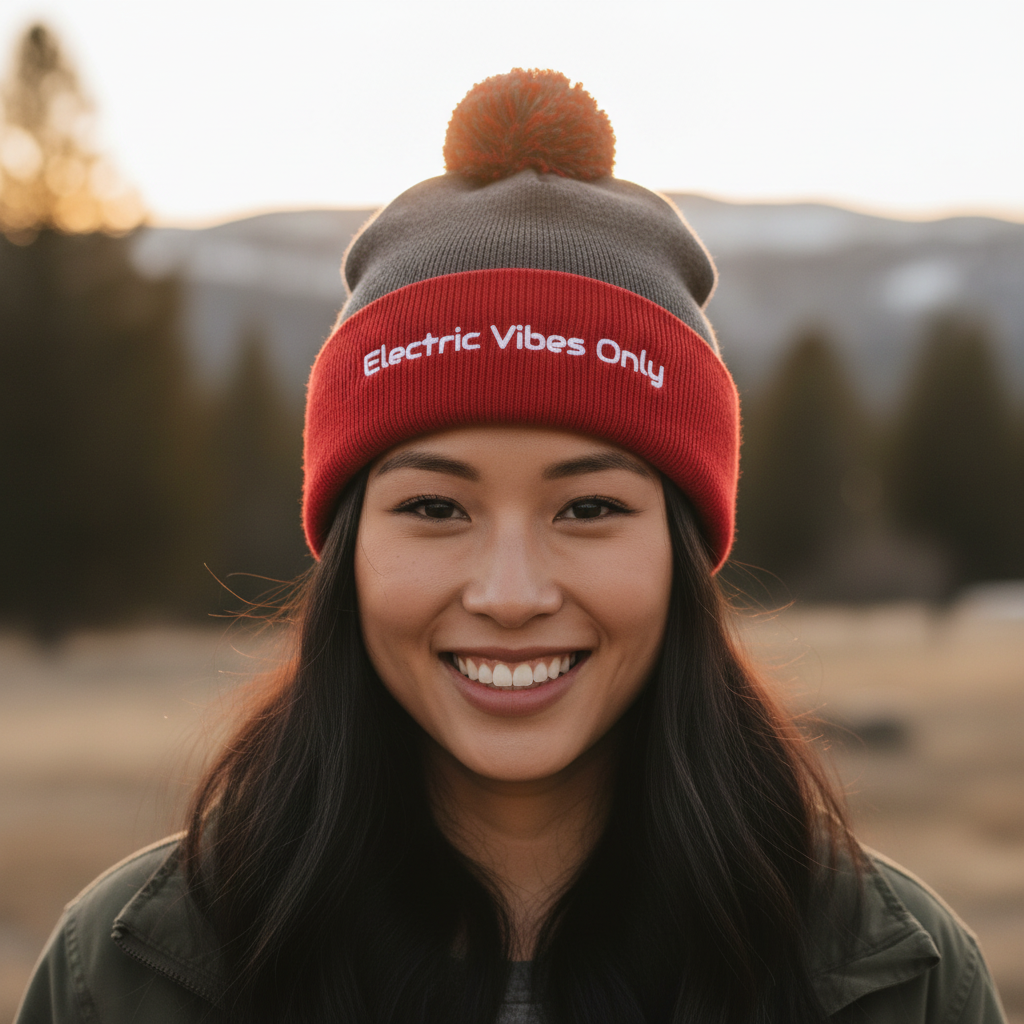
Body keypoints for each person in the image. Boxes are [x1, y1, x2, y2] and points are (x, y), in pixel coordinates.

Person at [16, 69, 1006, 1024]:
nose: (510, 591)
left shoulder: (888, 982)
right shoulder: (128, 975)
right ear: (349, 550)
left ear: (681, 551)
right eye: (437, 510)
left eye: (588, 511)